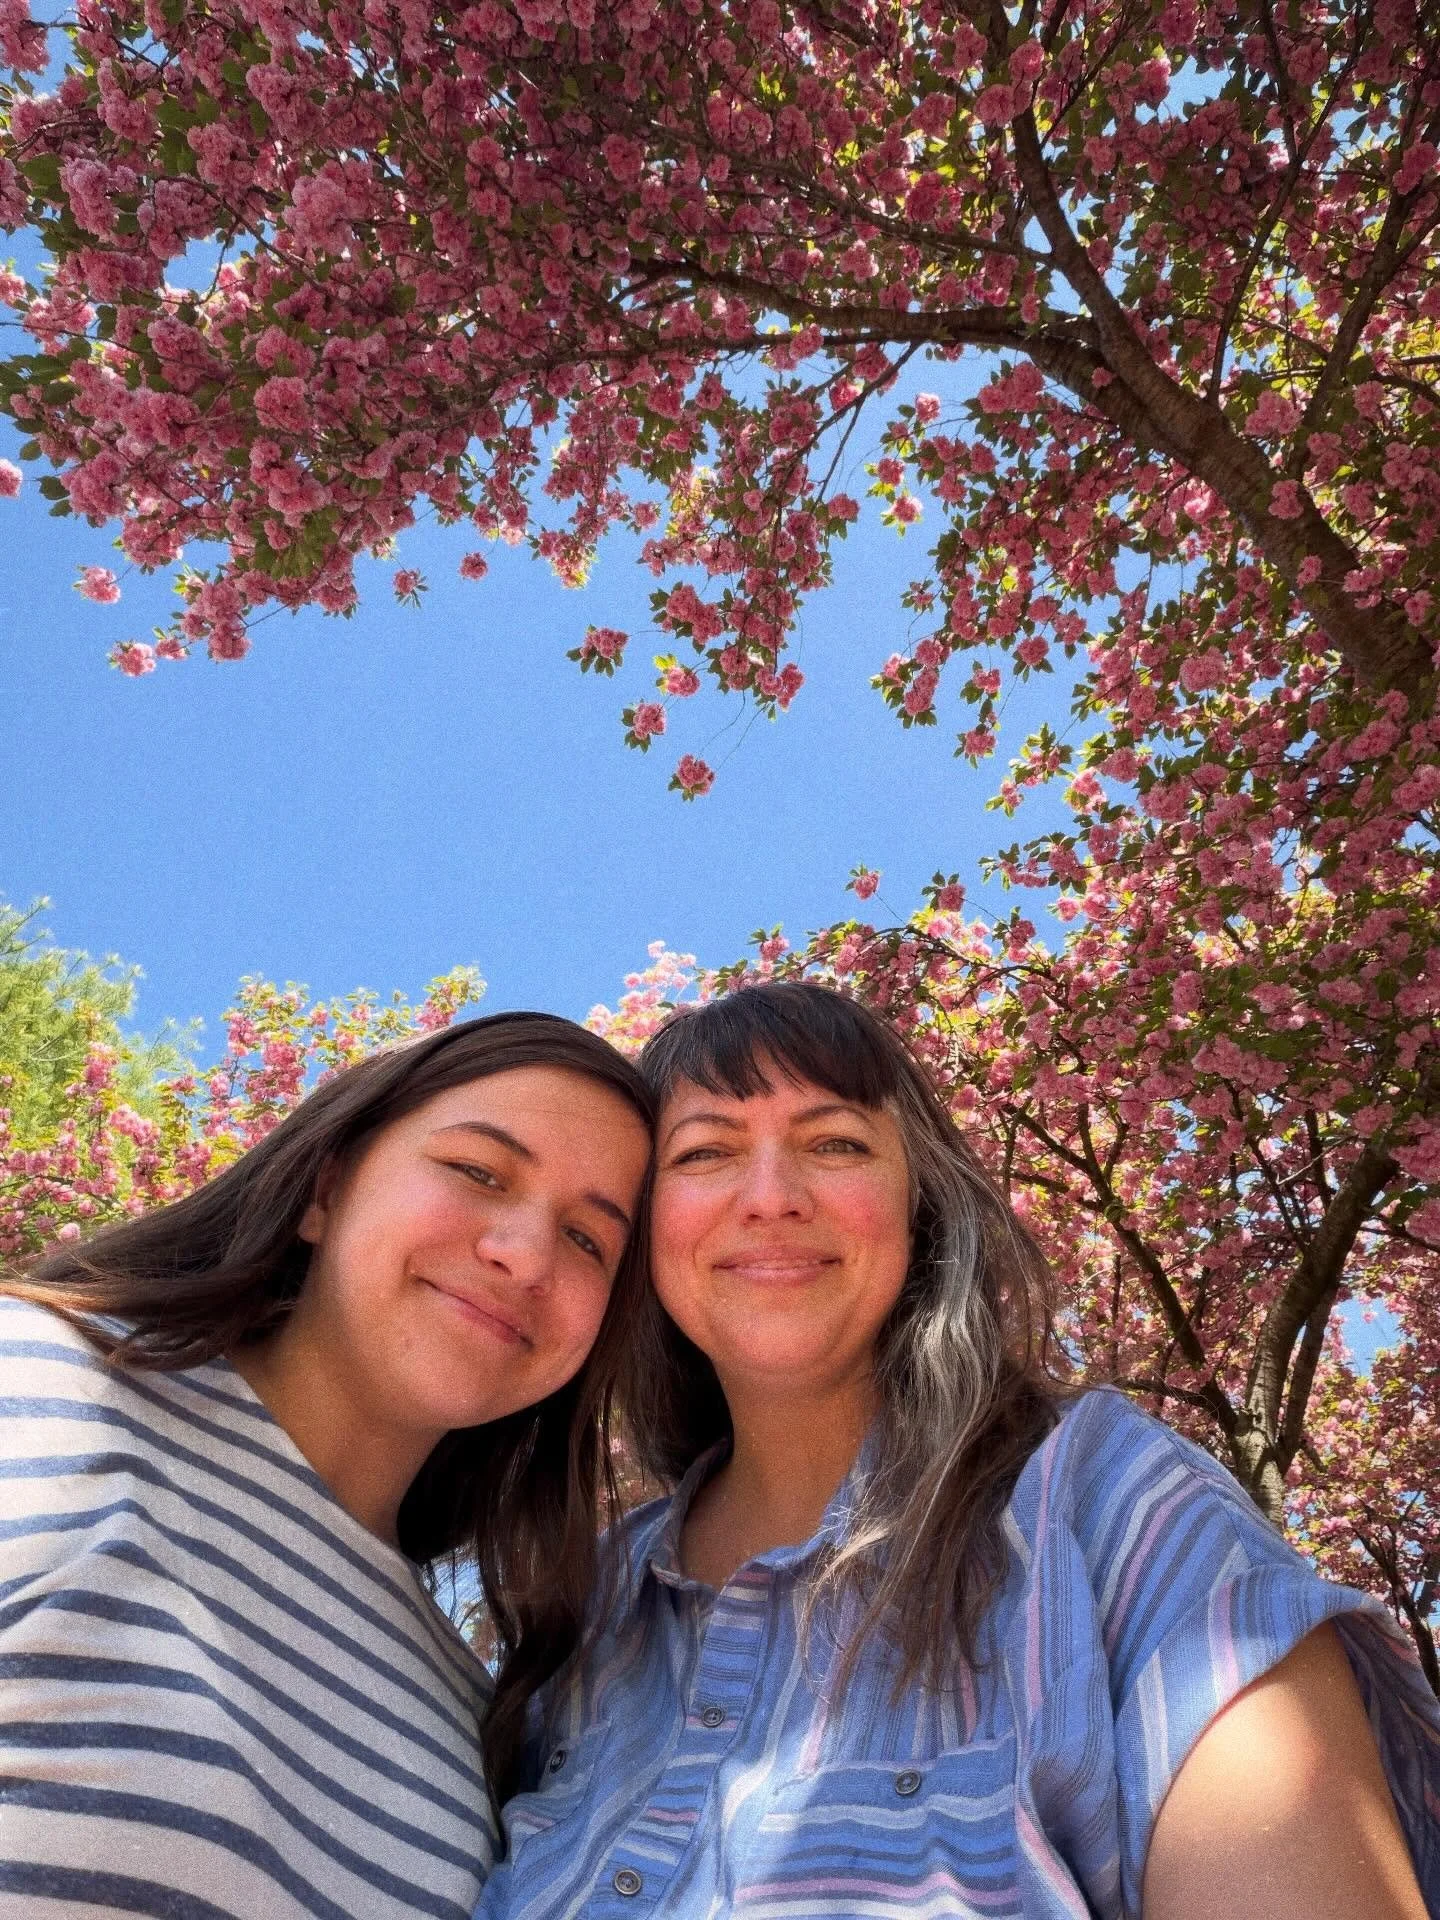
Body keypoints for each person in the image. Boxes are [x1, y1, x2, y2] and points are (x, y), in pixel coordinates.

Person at [478, 982, 1440, 1920]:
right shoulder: (581, 1616)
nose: (770, 1196)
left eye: (836, 1142)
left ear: (920, 1208)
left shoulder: (1104, 1503)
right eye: (705, 1153)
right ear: (645, 1233)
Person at [0, 1011, 653, 1920]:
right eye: (478, 1171)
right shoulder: (35, 1393)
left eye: (590, 1240)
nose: (526, 1255)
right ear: (324, 1188)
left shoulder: (477, 1718)